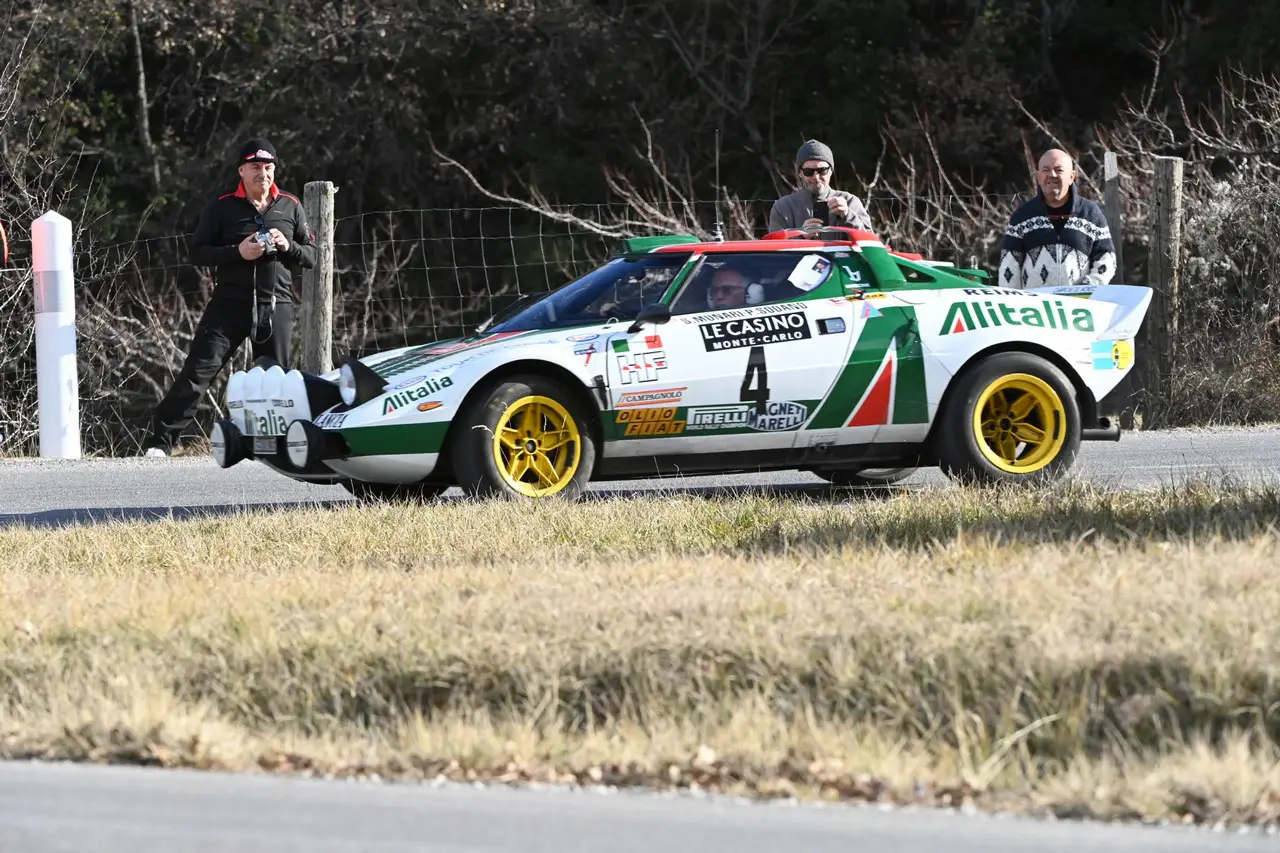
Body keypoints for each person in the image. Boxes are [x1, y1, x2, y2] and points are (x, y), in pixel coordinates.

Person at [142, 137, 318, 457]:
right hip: (228, 306)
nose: (262, 174)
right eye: (255, 167)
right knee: (198, 371)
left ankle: (273, 447)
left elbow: (310, 256)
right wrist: (239, 251)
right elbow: (197, 253)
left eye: (268, 167)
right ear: (241, 171)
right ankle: (160, 442)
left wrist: (286, 245)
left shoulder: (291, 205)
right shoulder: (222, 206)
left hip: (275, 305)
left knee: (273, 382)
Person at [997, 148, 1117, 288]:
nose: (1052, 175)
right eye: (1046, 170)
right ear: (1038, 176)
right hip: (1034, 307)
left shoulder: (1090, 213)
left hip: (1079, 305)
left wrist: (1087, 287)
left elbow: (1106, 260)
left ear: (1072, 176)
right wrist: (1014, 303)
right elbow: (1009, 266)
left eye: (1058, 170)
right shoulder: (1022, 216)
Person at [768, 139, 873, 233]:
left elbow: (872, 246)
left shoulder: (850, 202)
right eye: (809, 171)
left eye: (822, 171)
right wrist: (801, 235)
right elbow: (775, 249)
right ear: (800, 173)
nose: (816, 177)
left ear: (831, 171)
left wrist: (848, 216)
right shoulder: (783, 208)